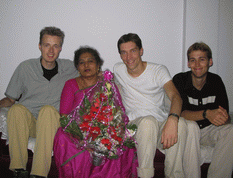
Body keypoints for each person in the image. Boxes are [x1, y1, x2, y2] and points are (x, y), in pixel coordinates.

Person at [0, 26, 78, 178]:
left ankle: (38, 174)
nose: (51, 51)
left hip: (52, 123)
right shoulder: (25, 68)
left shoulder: (70, 68)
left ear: (60, 48)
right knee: (16, 109)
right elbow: (10, 99)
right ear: (40, 46)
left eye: (55, 46)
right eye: (47, 45)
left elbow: (89, 71)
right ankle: (19, 170)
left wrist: (102, 76)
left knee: (47, 111)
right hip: (30, 123)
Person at [53, 46, 138, 178]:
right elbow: (64, 116)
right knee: (61, 135)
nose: (86, 65)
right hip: (77, 132)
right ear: (77, 67)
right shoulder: (70, 84)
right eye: (81, 62)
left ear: (98, 65)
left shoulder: (108, 85)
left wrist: (105, 134)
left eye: (90, 61)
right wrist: (81, 138)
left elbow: (117, 112)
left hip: (104, 130)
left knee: (121, 142)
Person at [113, 33, 187, 178]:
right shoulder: (118, 69)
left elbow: (175, 96)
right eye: (124, 53)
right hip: (135, 126)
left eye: (133, 51)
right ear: (120, 55)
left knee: (181, 123)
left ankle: (175, 175)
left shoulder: (158, 71)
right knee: (148, 122)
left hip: (159, 124)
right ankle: (145, 175)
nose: (129, 57)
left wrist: (172, 119)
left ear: (141, 51)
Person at [173, 42, 233, 178]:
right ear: (188, 63)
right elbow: (180, 114)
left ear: (210, 62)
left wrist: (223, 117)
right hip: (188, 130)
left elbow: (225, 115)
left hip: (209, 130)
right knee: (192, 126)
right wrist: (207, 113)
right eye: (193, 60)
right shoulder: (180, 80)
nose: (197, 64)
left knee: (231, 131)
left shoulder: (216, 81)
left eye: (202, 59)